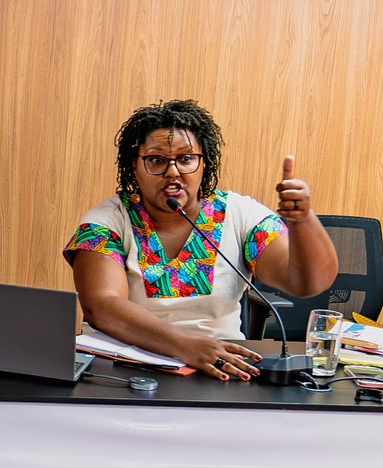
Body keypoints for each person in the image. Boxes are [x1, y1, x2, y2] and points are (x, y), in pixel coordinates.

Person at [64, 99, 338, 380]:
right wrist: (184, 345)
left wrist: (304, 220)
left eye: (186, 159)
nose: (173, 171)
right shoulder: (107, 220)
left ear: (204, 163)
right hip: (124, 370)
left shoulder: (241, 214)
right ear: (134, 165)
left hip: (223, 366)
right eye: (156, 160)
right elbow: (102, 307)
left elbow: (305, 283)